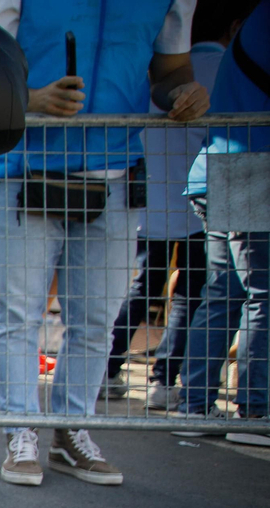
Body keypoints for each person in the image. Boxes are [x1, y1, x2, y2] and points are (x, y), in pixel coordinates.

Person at [0, 0, 209, 487]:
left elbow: (170, 70)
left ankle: (71, 429)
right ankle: (21, 430)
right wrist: (30, 97)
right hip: (26, 167)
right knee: (19, 314)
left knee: (97, 319)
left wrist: (182, 93)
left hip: (117, 172)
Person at [134, 3, 244, 409]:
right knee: (193, 293)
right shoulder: (219, 72)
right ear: (234, 26)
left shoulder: (160, 74)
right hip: (203, 198)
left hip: (155, 201)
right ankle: (168, 382)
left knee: (145, 288)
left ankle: (114, 370)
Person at [178, 1, 268, 421]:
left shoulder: (257, 23)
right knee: (262, 296)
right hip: (249, 168)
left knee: (224, 293)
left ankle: (195, 404)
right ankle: (253, 410)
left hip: (216, 167)